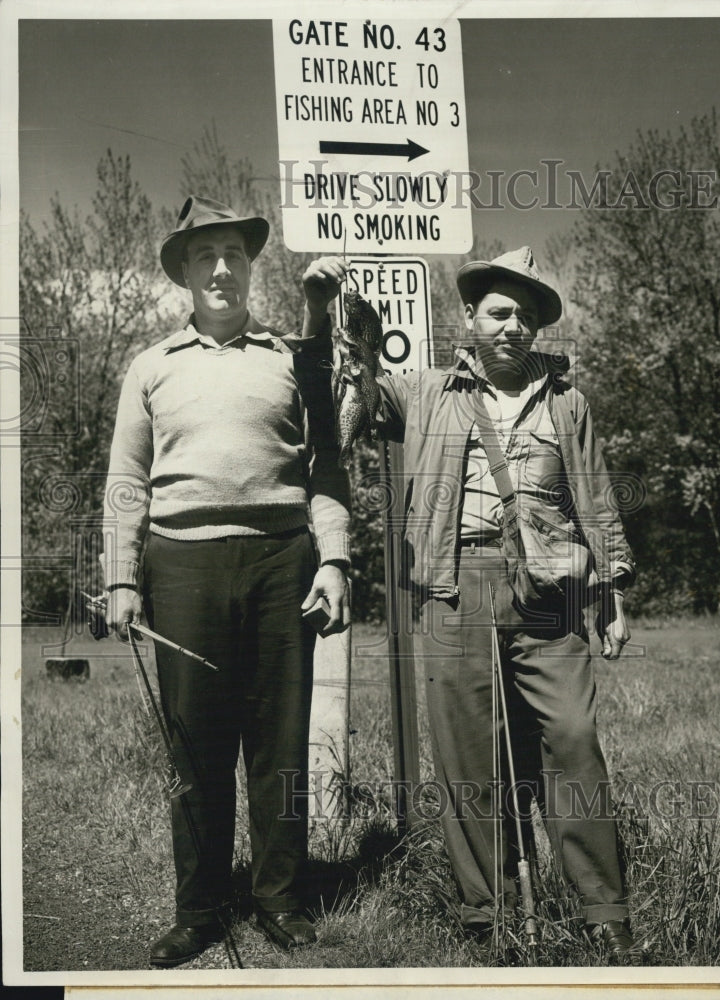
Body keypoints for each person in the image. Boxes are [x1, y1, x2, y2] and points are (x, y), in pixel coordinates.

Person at [302, 247, 639, 957]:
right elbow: (346, 416)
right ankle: (489, 916)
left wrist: (610, 586)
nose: (513, 326)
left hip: (552, 590)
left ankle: (603, 912)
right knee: (466, 758)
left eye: (525, 316)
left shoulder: (566, 402)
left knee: (572, 741)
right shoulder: (425, 391)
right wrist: (351, 337)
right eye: (498, 312)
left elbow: (597, 496)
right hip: (455, 585)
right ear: (470, 318)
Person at [101, 196, 351, 967]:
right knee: (195, 747)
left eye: (234, 255)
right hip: (181, 565)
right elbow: (127, 478)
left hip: (282, 563)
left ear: (249, 268)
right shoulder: (151, 365)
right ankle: (199, 910)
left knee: (280, 743)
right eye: (205, 256)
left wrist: (335, 560)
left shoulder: (288, 358)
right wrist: (120, 577)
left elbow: (326, 468)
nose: (220, 269)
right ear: (184, 272)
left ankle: (280, 899)